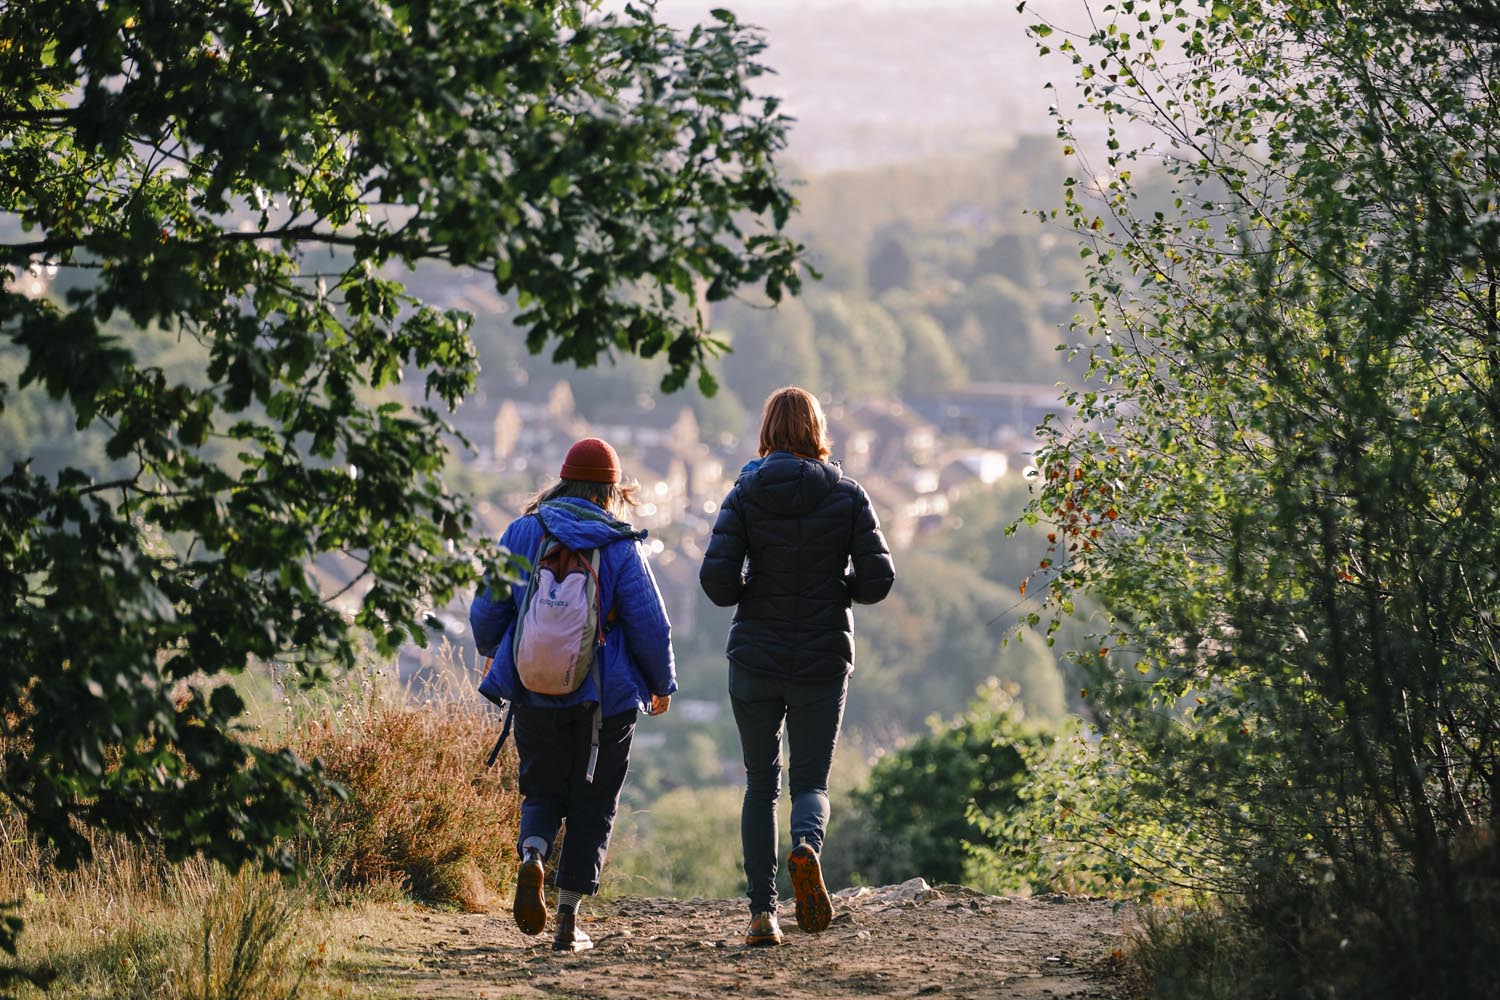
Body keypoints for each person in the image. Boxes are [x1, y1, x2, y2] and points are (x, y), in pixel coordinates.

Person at [698, 386, 895, 946]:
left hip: (755, 656)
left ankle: (763, 914)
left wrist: (753, 588)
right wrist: (837, 590)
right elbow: (880, 580)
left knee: (761, 784)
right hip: (822, 658)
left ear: (767, 431)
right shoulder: (848, 494)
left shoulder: (744, 493)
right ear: (817, 432)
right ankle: (806, 848)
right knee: (810, 781)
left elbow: (715, 584)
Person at [471, 437, 675, 953]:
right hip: (604, 703)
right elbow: (651, 625)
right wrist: (660, 683)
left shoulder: (523, 531)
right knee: (594, 803)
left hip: (534, 690)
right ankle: (566, 920)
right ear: (611, 490)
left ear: (562, 480)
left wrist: (493, 648)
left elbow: (486, 609)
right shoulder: (621, 545)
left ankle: (533, 856)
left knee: (540, 790)